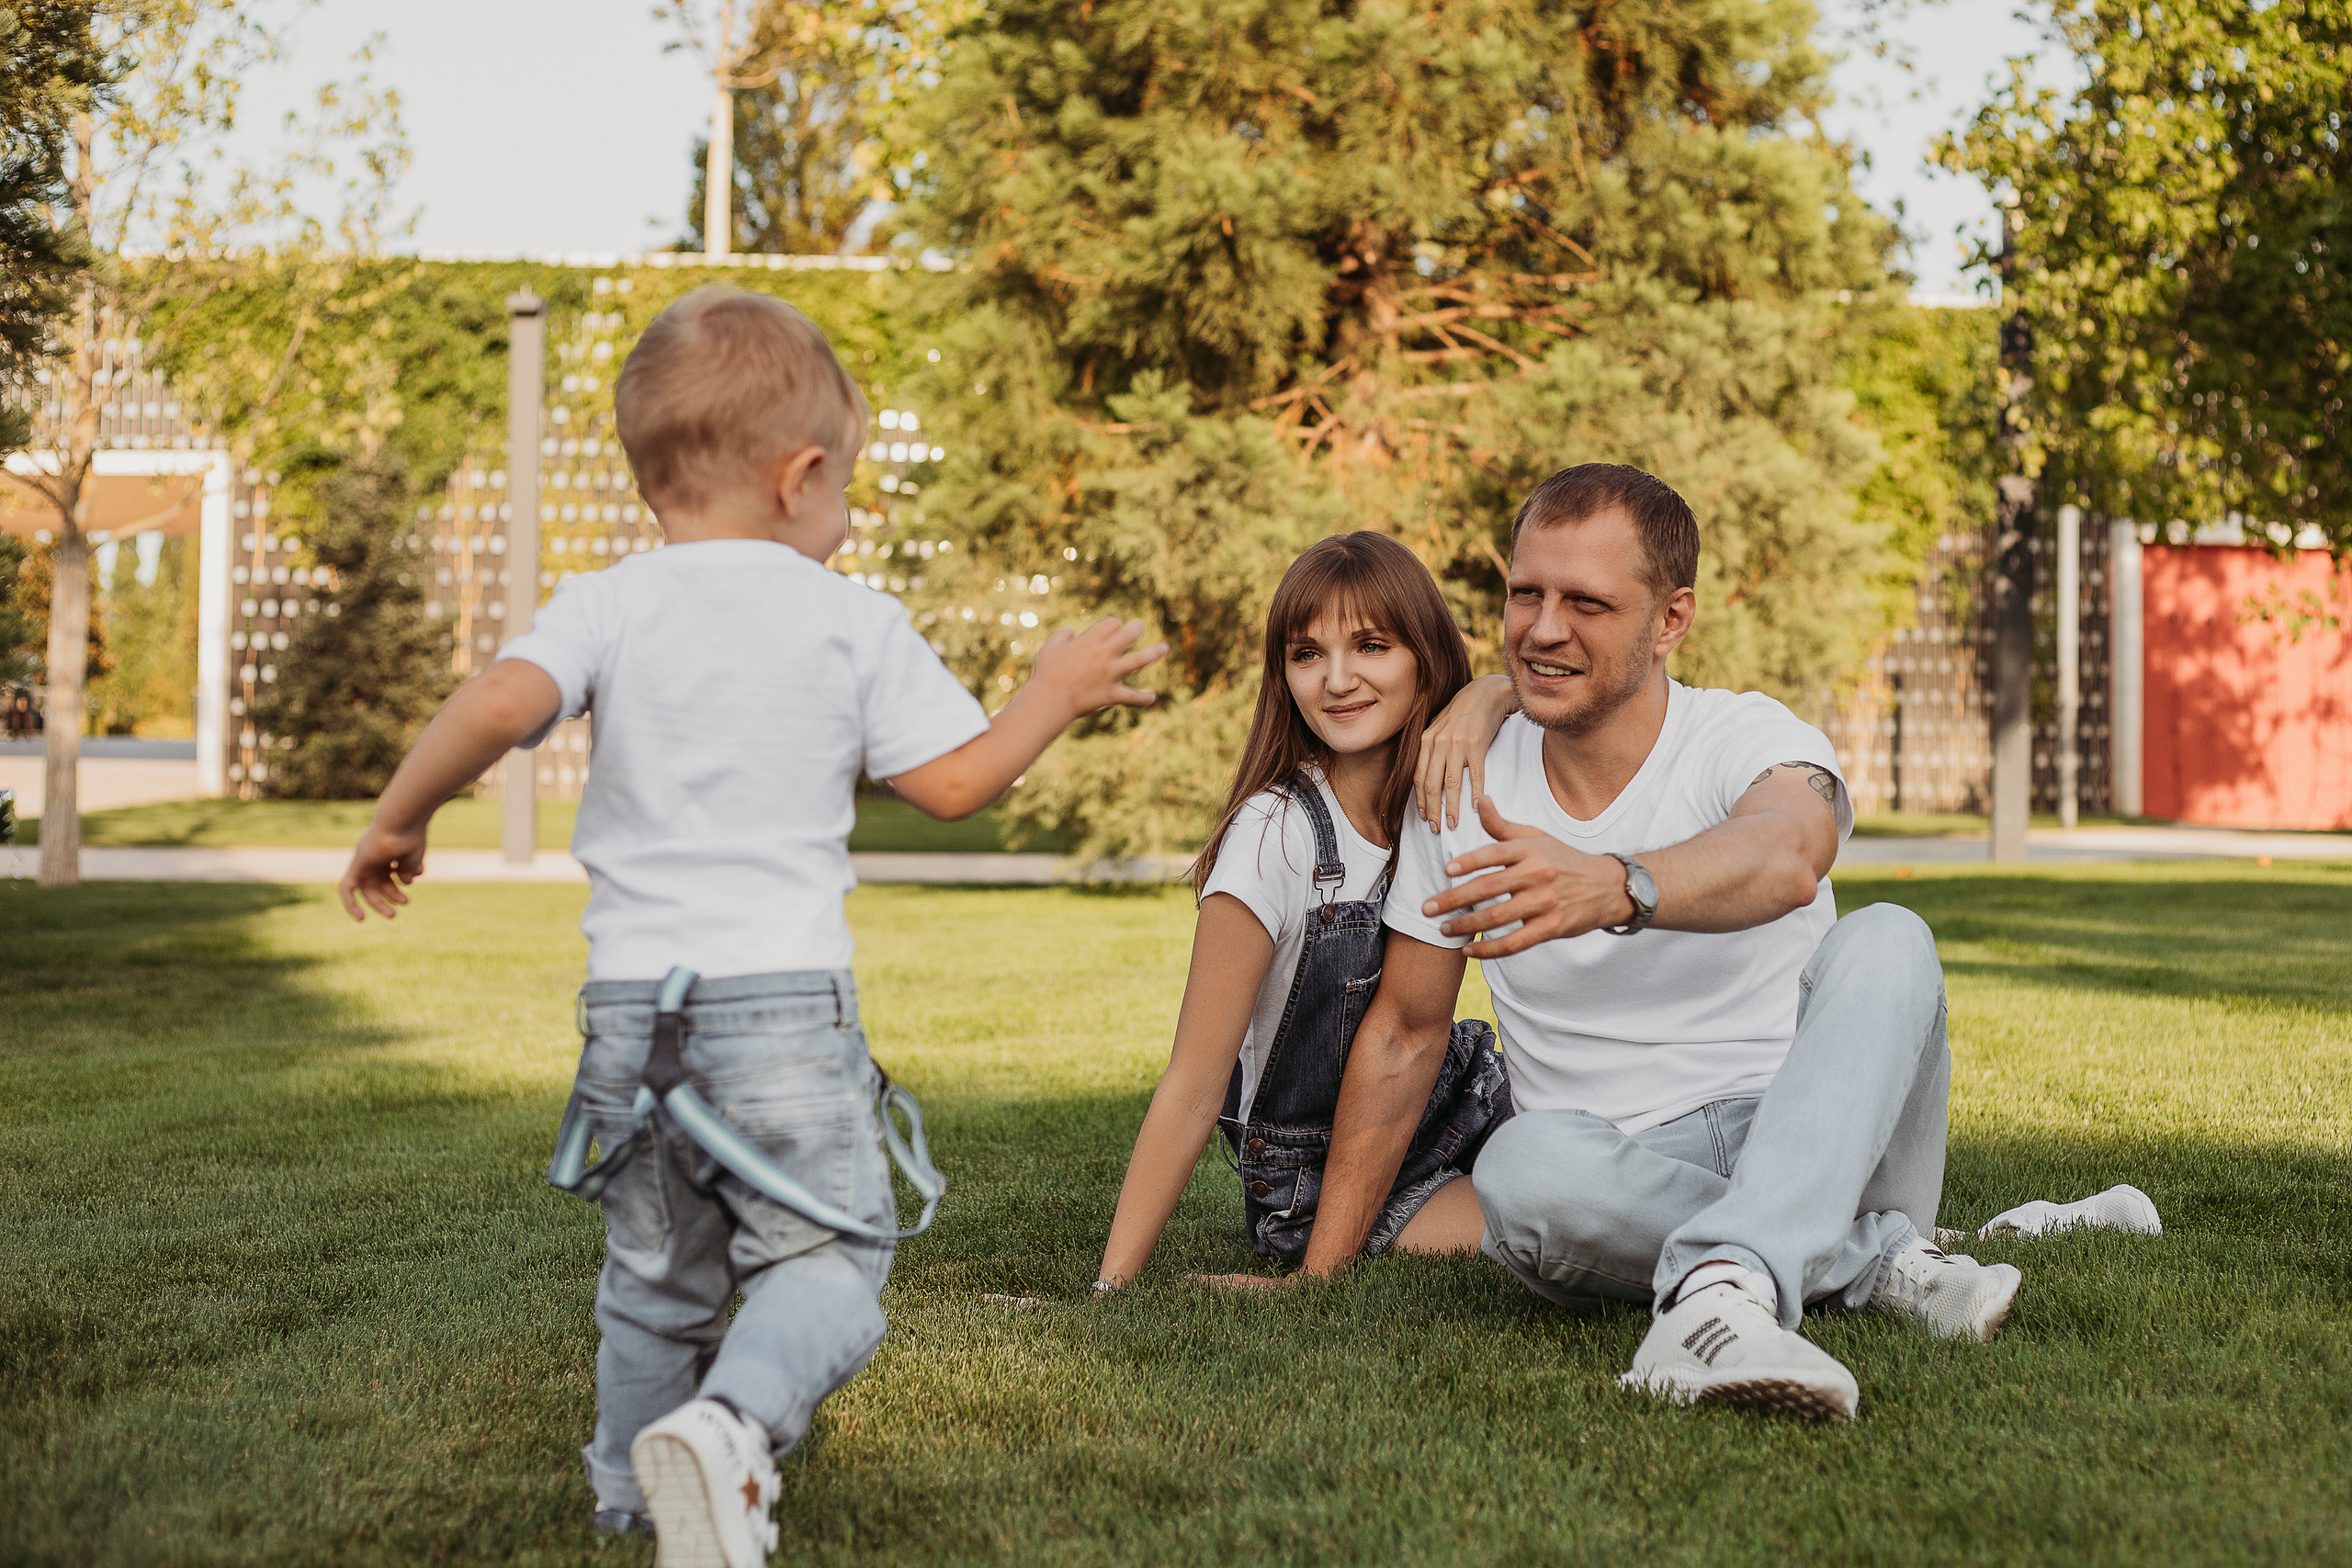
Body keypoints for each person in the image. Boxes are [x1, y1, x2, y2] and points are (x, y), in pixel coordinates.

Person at [335, 285, 1165, 1566]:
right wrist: (1051, 690)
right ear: (802, 476)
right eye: (848, 486)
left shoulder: (609, 601)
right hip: (779, 1013)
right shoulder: (845, 616)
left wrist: (401, 814)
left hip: (630, 1018)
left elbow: (504, 697)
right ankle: (732, 1428)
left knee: (657, 1277)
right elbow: (950, 783)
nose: (847, 513)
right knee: (835, 1258)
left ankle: (626, 1489)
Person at [1288, 462, 2020, 1424]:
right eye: (1525, 595)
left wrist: (1618, 884)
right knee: (1519, 1170)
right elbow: (1405, 1033)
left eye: (1587, 603)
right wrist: (1319, 1273)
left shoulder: (1744, 735)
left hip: (1811, 1129)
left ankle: (1724, 1291)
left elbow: (1789, 851)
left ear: (1670, 620)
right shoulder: (1459, 781)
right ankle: (1878, 1260)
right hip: (1609, 1172)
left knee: (1890, 938)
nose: (1545, 629)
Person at [1095, 533, 1511, 1290]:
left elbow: (1571, 702)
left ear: (1424, 656)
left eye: (1371, 646)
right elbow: (1192, 1084)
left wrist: (1491, 691)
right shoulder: (1274, 837)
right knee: (1544, 1237)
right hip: (1315, 1178)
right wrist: (1111, 1287)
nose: (1338, 680)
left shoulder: (1441, 793)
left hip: (1460, 1101)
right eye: (1307, 653)